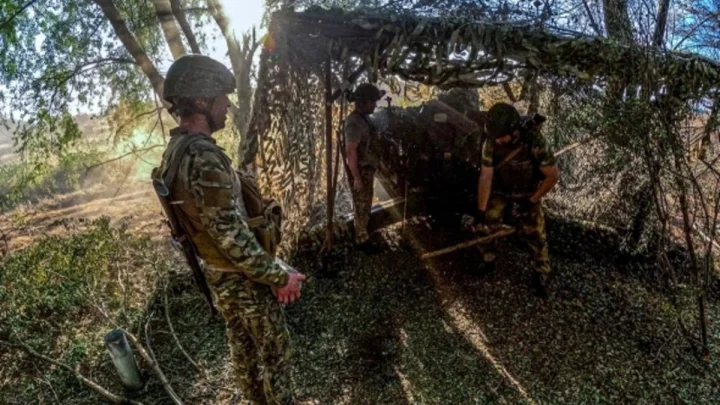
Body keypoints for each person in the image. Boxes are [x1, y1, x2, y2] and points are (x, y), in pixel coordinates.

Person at [151, 54, 305, 405]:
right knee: (275, 358)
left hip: (220, 277)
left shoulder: (174, 153)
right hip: (242, 280)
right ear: (203, 101)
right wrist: (279, 276)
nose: (227, 105)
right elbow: (230, 236)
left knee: (245, 358)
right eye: (223, 97)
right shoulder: (202, 157)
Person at [476, 102, 560, 298]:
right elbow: (486, 177)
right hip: (501, 189)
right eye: (495, 137)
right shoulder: (490, 142)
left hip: (528, 192)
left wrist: (531, 201)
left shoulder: (535, 141)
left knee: (535, 230)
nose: (498, 141)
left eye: (501, 137)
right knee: (488, 220)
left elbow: (552, 176)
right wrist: (480, 212)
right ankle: (488, 258)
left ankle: (541, 270)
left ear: (514, 131)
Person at [344, 83, 385, 247]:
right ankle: (361, 241)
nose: (375, 104)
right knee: (361, 207)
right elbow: (350, 152)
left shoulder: (363, 119)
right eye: (372, 101)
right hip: (360, 170)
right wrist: (357, 178)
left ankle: (364, 234)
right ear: (363, 102)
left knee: (365, 203)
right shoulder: (354, 123)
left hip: (366, 169)